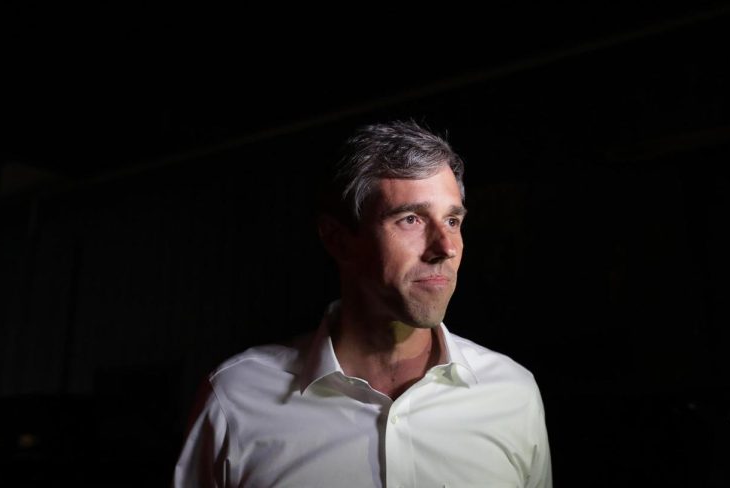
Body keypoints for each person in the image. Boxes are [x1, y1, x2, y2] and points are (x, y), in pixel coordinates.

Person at [172, 118, 553, 487]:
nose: (446, 248)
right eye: (411, 220)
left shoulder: (513, 393)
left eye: (452, 221)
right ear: (338, 240)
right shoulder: (234, 400)